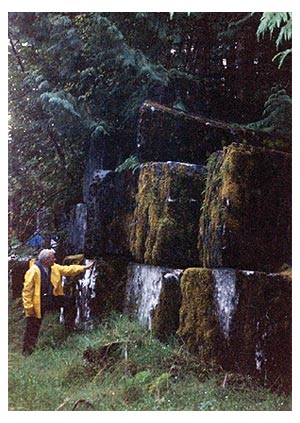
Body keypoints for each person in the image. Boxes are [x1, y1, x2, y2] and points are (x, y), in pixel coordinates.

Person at [22, 249, 94, 356]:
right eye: (52, 258)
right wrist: (29, 308)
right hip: (37, 302)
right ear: (45, 260)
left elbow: (67, 270)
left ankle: (69, 326)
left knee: (69, 302)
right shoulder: (33, 271)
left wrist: (83, 268)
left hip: (51, 298)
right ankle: (27, 351)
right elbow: (27, 292)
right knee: (32, 326)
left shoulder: (54, 267)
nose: (54, 259)